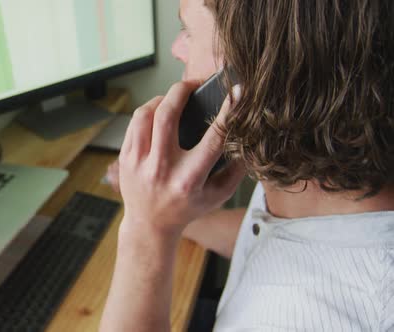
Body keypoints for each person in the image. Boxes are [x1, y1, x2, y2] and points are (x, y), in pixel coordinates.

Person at [99, 0, 394, 331]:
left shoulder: (297, 318)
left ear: (247, 77)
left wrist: (146, 233)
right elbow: (274, 242)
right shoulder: (323, 196)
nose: (177, 48)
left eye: (188, 31)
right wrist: (167, 214)